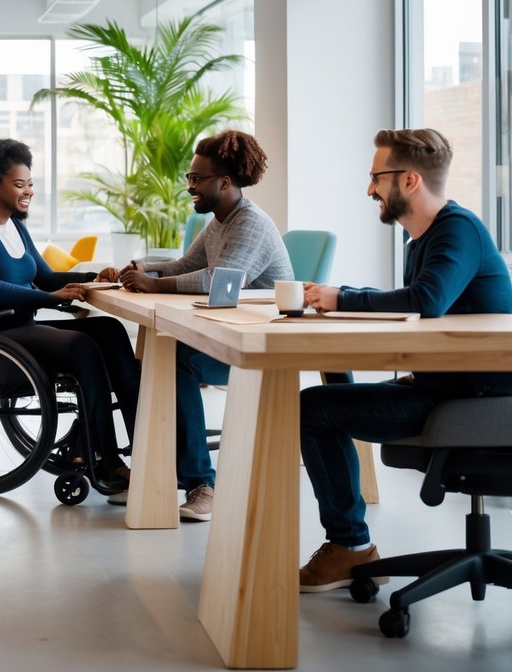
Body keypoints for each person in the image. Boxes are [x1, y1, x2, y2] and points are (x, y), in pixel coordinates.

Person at [296, 128, 512, 592]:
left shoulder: (459, 229)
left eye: (377, 177)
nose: (369, 188)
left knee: (315, 408)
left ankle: (349, 547)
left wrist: (343, 298)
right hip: (450, 388)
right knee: (326, 399)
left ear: (409, 180)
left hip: (480, 402)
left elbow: (426, 301)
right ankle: (350, 545)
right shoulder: (424, 241)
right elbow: (425, 310)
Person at [97, 129, 292, 520]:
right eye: (190, 178)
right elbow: (187, 267)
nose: (190, 186)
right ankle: (159, 472)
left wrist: (153, 284)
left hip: (258, 345)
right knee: (158, 357)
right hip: (225, 333)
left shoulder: (250, 223)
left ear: (225, 181)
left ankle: (204, 485)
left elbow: (217, 281)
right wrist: (138, 269)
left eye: (197, 179)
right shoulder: (220, 220)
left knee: (175, 359)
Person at [0, 139, 135, 494]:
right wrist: (49, 299)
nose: (29, 192)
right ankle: (106, 460)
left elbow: (47, 276)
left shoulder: (16, 227)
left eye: (30, 184)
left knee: (109, 331)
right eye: (19, 184)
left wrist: (93, 277)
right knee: (81, 345)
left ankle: (145, 446)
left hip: (22, 329)